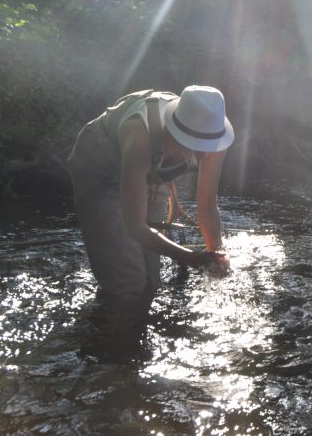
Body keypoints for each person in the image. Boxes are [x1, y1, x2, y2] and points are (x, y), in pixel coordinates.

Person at [68, 85, 233, 308]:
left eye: (208, 146)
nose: (205, 154)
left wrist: (216, 253)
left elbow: (207, 206)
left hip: (151, 169)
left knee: (151, 276)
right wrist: (191, 258)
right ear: (176, 133)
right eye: (197, 146)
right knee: (127, 284)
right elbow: (135, 227)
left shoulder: (213, 133)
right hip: (98, 172)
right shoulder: (139, 135)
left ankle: (142, 323)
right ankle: (117, 332)